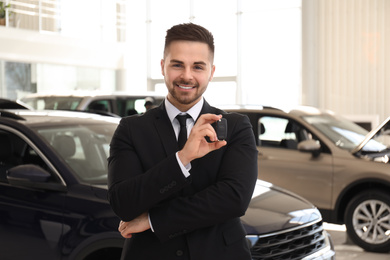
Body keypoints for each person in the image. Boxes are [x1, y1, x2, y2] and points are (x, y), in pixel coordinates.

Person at [107, 23, 258, 260]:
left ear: (211, 71)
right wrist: (182, 158)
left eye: (198, 66)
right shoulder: (131, 129)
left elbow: (233, 199)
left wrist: (153, 219)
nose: (187, 75)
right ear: (162, 67)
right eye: (177, 65)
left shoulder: (236, 127)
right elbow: (123, 203)